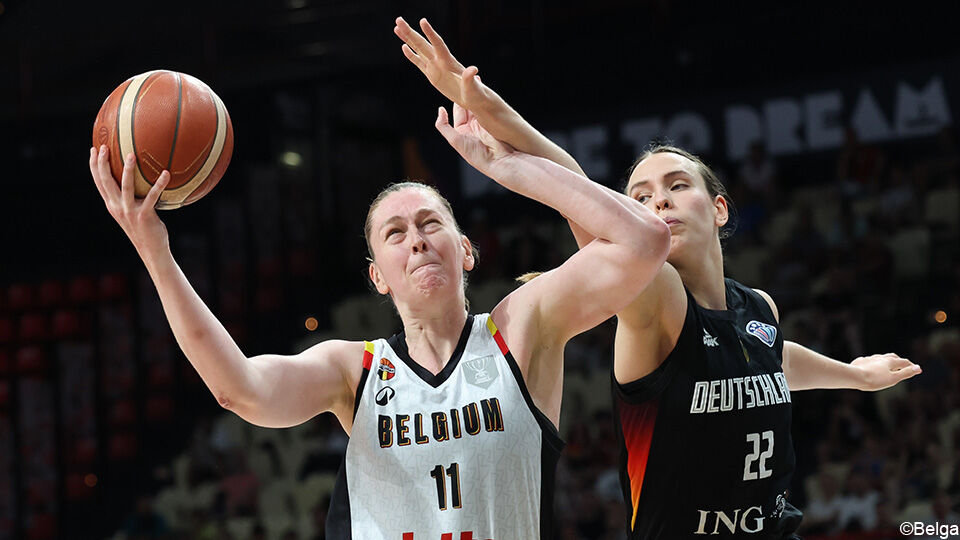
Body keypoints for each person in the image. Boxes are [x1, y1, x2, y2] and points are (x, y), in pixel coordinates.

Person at [394, 16, 923, 539]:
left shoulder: (759, 308)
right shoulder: (658, 303)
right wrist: (486, 106)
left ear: (719, 209)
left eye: (677, 186)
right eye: (640, 198)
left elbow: (773, 359)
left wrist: (854, 374)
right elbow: (576, 186)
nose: (659, 202)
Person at [86, 77, 669, 538]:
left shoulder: (522, 327)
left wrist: (509, 167)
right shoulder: (353, 371)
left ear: (466, 250)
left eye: (431, 223)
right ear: (378, 278)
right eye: (395, 233)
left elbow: (643, 240)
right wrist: (156, 252)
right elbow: (238, 388)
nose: (416, 240)